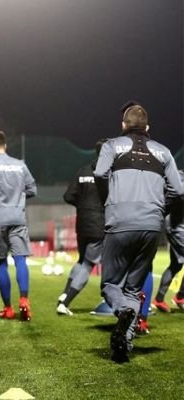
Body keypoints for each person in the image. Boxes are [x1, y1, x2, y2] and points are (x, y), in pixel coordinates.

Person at [93, 104, 183, 363]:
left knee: (110, 285)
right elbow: (178, 190)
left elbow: (100, 173)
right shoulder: (164, 152)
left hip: (120, 221)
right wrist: (160, 211)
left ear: (123, 125)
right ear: (147, 127)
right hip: (151, 225)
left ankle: (123, 311)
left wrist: (107, 201)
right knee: (133, 289)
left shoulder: (112, 146)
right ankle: (125, 344)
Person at [0, 130, 37, 321]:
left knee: (1, 263)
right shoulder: (20, 164)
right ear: (5, 145)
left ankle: (8, 308)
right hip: (17, 219)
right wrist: (17, 198)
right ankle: (24, 299)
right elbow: (32, 189)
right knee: (20, 260)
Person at [56, 139, 107, 316]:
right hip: (99, 224)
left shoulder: (83, 171)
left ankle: (64, 293)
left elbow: (68, 196)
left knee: (81, 260)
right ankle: (66, 303)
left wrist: (83, 206)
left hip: (82, 222)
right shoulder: (108, 173)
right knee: (88, 264)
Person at [152, 169, 184, 313]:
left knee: (176, 264)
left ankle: (159, 299)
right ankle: (181, 296)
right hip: (176, 227)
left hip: (180, 226)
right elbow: (178, 193)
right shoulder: (179, 176)